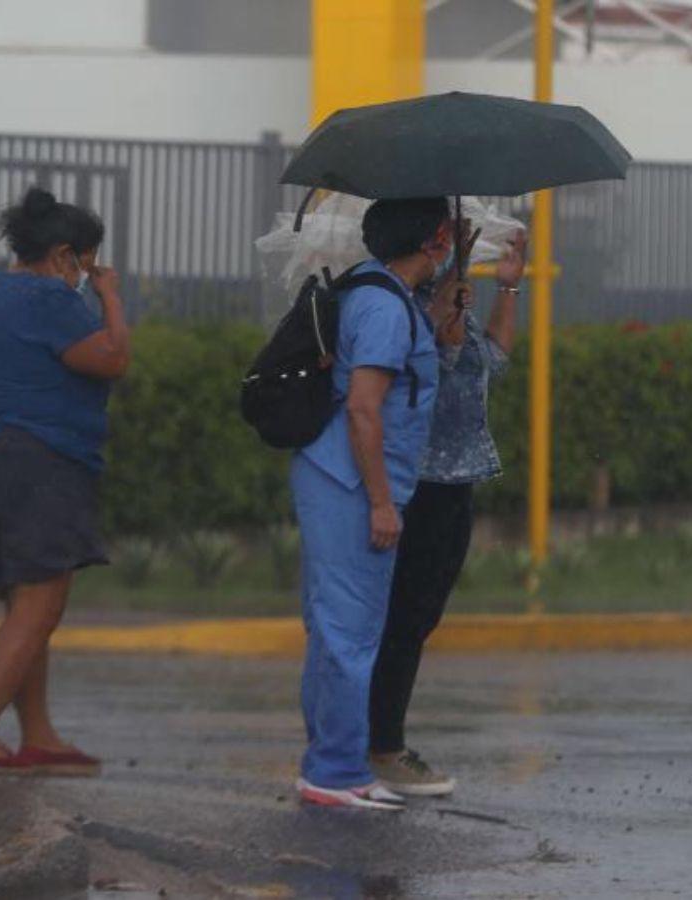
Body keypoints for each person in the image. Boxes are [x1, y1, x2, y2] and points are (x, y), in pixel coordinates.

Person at [0, 186, 130, 776]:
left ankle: (38, 734)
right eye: (87, 263)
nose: (87, 275)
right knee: (40, 607)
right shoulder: (52, 297)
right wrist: (111, 296)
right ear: (66, 255)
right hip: (41, 462)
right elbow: (112, 357)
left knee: (25, 604)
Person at [291, 196, 455, 811]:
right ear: (436, 238)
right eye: (448, 233)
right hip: (352, 485)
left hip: (333, 476)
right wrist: (383, 505)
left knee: (337, 629)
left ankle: (332, 767)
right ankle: (332, 774)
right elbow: (364, 408)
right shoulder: (384, 309)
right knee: (347, 633)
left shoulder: (376, 292)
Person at [368, 224, 528, 796]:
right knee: (404, 619)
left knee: (420, 617)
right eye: (439, 239)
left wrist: (510, 288)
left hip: (459, 479)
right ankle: (382, 745)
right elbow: (448, 347)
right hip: (424, 481)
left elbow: (495, 361)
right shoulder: (410, 307)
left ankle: (379, 740)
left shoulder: (447, 298)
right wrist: (455, 285)